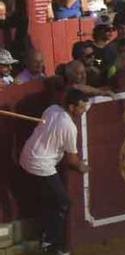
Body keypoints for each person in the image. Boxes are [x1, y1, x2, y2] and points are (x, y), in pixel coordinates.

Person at [19, 89, 90, 255]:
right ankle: (51, 244)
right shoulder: (70, 128)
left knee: (49, 200)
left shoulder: (51, 109)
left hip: (27, 156)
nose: (83, 110)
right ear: (72, 107)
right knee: (63, 202)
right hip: (41, 165)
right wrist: (82, 167)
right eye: (81, 107)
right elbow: (72, 160)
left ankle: (46, 236)